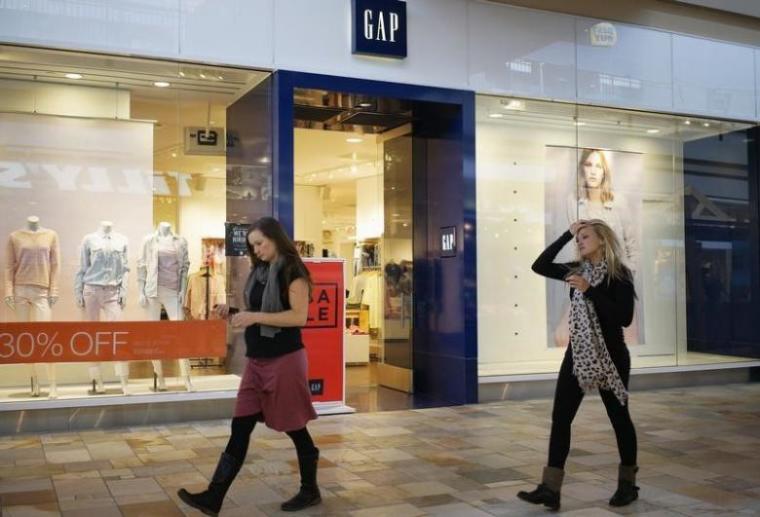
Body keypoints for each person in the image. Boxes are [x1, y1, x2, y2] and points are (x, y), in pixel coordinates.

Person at [178, 217, 320, 515]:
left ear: (276, 239)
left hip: (286, 361)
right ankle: (213, 497)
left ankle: (310, 490)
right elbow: (261, 311)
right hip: (257, 361)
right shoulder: (261, 271)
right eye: (252, 246)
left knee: (294, 426)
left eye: (260, 243)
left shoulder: (294, 272)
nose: (256, 250)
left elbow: (298, 317)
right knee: (240, 426)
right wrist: (234, 313)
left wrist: (253, 318)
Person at [518, 219, 639, 511]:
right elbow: (540, 265)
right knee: (561, 418)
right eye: (578, 238)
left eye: (585, 237)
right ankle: (550, 489)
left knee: (618, 419)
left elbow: (623, 317)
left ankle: (627, 485)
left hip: (611, 357)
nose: (580, 241)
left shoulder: (619, 275)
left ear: (602, 240)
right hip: (578, 356)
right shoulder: (576, 270)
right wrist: (565, 234)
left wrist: (589, 289)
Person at [555, 148, 640, 348]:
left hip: (615, 282)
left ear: (604, 172)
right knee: (570, 339)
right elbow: (577, 246)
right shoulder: (573, 201)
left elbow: (633, 246)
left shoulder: (618, 202)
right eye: (588, 165)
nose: (593, 171)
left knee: (619, 342)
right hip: (589, 282)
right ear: (581, 169)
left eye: (598, 166)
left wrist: (624, 278)